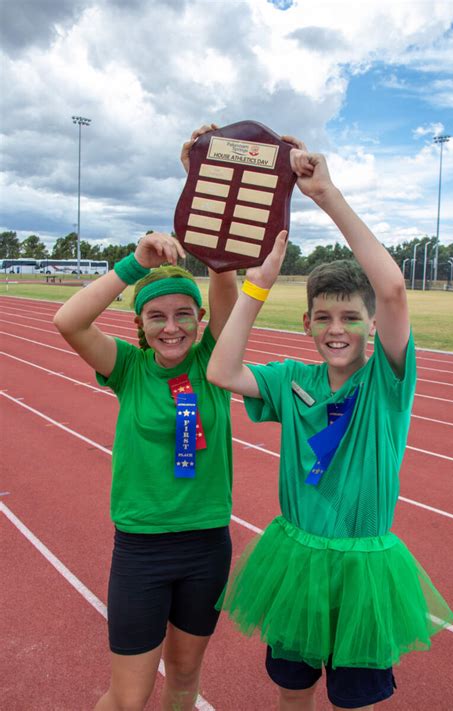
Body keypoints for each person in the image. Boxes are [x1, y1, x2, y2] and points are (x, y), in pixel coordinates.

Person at [207, 143, 453, 710]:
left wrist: (326, 196)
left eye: (350, 317)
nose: (336, 329)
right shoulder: (293, 376)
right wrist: (258, 284)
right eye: (324, 317)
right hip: (295, 560)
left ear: (372, 324)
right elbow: (222, 370)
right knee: (293, 694)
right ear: (307, 323)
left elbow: (391, 286)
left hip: (364, 569)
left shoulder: (387, 383)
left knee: (354, 702)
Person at [54, 126, 238, 711]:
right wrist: (136, 262)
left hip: (207, 545)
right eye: (156, 317)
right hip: (142, 550)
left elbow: (227, 280)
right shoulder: (129, 369)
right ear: (140, 326)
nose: (172, 327)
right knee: (128, 697)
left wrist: (208, 187)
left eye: (185, 314)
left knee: (185, 684)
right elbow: (69, 322)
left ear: (200, 317)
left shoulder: (214, 359)